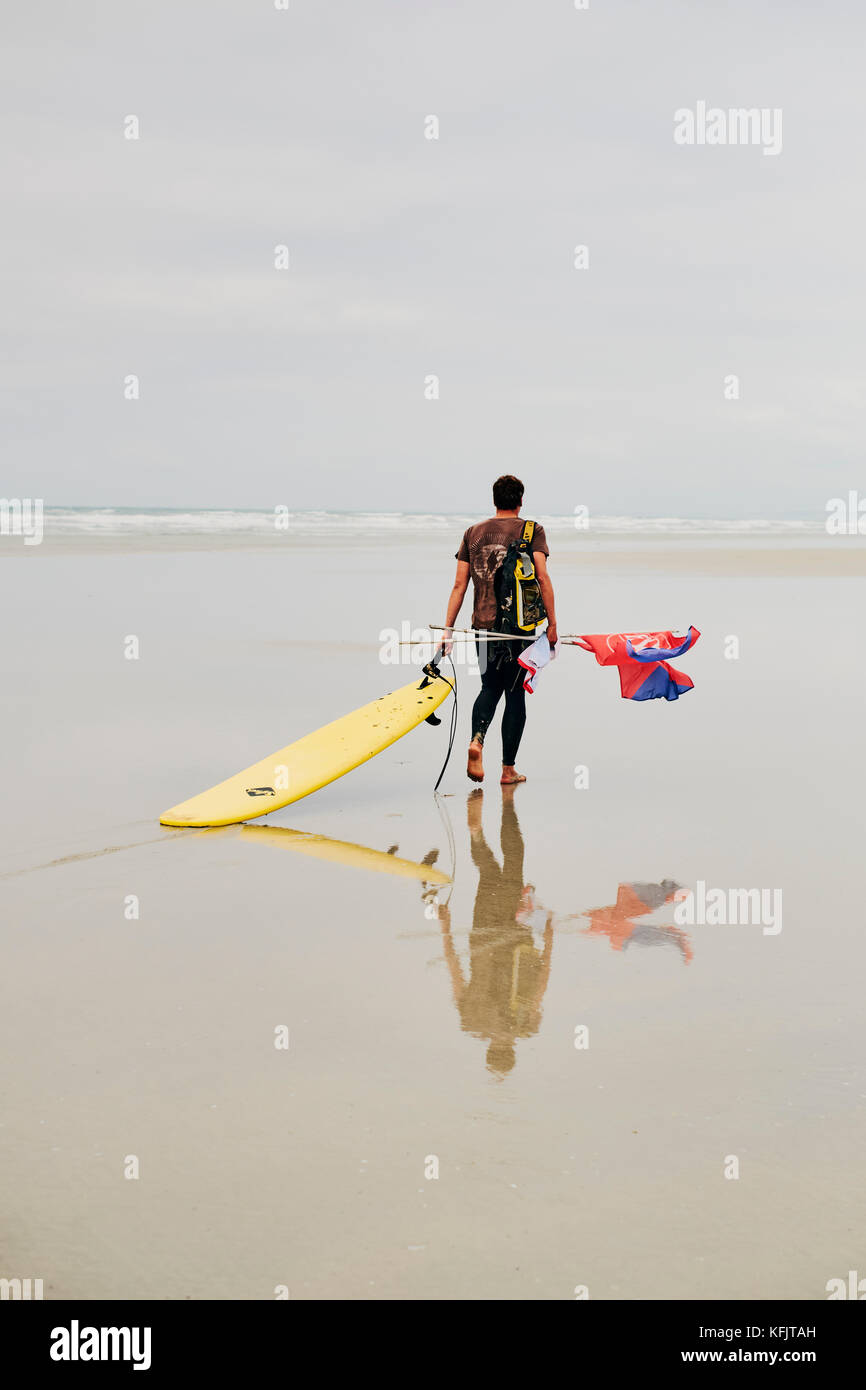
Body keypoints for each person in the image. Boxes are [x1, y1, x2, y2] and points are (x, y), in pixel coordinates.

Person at [442, 475, 558, 785]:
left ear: (495, 501)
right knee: (515, 693)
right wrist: (553, 625)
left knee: (489, 687)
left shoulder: (473, 533)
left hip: (484, 626)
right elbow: (543, 578)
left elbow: (459, 585)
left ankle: (477, 741)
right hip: (520, 628)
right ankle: (508, 770)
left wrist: (448, 630)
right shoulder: (532, 530)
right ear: (521, 500)